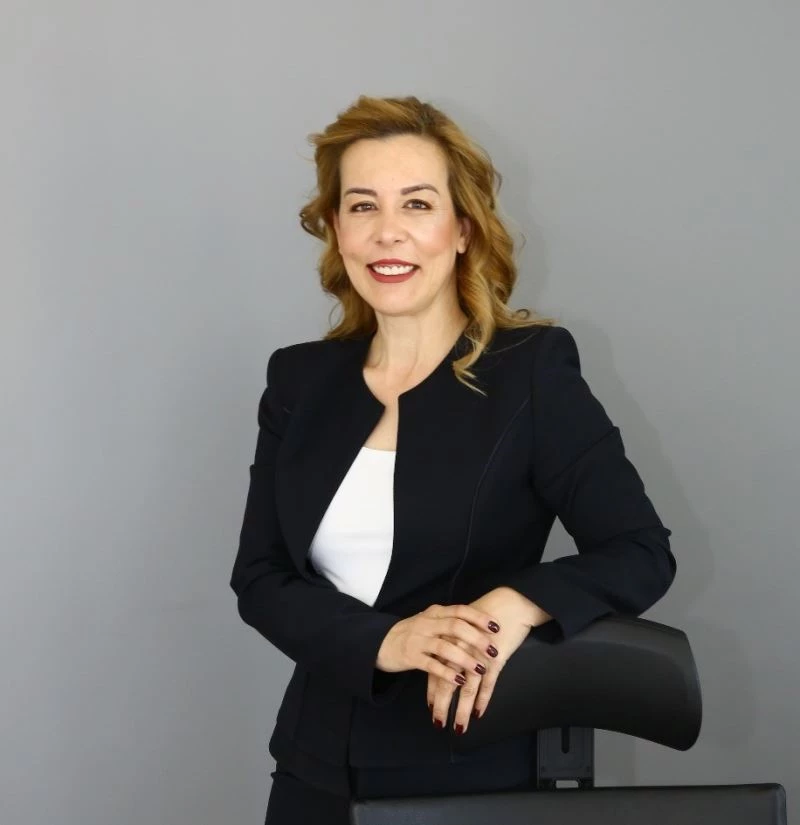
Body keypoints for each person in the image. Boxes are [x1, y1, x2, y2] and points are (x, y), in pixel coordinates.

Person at [229, 95, 676, 825]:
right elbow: (260, 576)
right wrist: (387, 640)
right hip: (314, 765)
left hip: (469, 767)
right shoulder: (299, 381)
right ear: (337, 229)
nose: (388, 231)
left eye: (417, 203)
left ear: (462, 228)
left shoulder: (531, 372)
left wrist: (512, 605)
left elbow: (641, 551)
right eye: (363, 206)